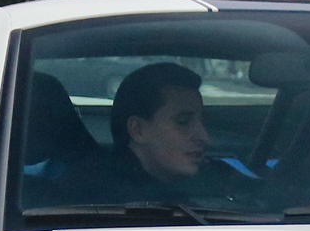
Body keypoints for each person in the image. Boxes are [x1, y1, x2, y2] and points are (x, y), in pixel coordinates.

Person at [64, 62, 252, 203]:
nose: (203, 136)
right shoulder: (100, 200)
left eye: (202, 122)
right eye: (183, 122)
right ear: (138, 130)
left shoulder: (210, 175)